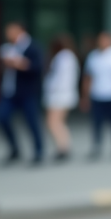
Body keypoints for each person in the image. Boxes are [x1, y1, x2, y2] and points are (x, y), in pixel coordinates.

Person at [0, 21, 44, 165]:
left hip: (27, 92)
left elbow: (38, 68)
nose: (7, 34)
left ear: (20, 31)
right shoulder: (8, 47)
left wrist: (21, 64)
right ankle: (14, 148)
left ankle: (39, 151)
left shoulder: (33, 47)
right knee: (1, 117)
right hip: (9, 91)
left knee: (32, 123)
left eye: (10, 31)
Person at [81, 31, 111, 159]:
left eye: (105, 40)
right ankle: (97, 146)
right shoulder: (93, 56)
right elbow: (88, 77)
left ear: (110, 40)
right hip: (97, 94)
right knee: (97, 123)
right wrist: (85, 96)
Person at [43, 33, 80, 161]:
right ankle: (64, 146)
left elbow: (60, 79)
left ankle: (63, 148)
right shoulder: (69, 56)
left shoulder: (63, 57)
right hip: (64, 94)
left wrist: (51, 89)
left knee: (52, 122)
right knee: (59, 122)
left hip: (59, 95)